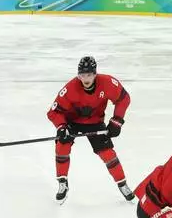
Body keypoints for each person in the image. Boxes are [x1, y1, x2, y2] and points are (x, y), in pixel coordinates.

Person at [47, 56, 132, 204]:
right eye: (82, 75)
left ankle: (123, 184)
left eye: (89, 75)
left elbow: (124, 99)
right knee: (62, 146)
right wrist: (61, 127)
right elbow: (54, 112)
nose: (85, 78)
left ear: (95, 74)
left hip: (95, 122)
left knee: (108, 153)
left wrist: (117, 120)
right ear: (78, 75)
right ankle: (62, 182)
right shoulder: (70, 88)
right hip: (72, 122)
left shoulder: (107, 83)